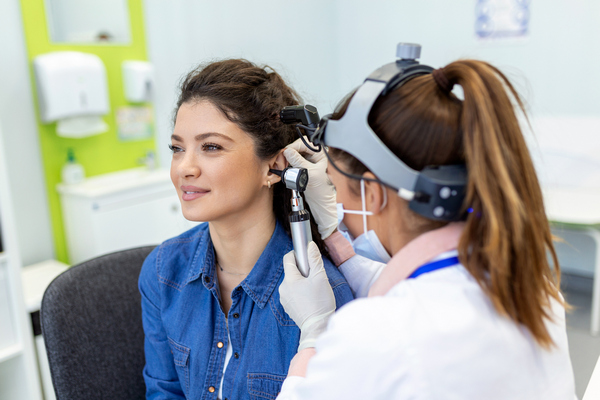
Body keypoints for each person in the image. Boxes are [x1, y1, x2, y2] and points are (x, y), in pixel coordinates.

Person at [276, 45, 577, 399]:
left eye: (336, 187)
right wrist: (337, 243)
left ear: (374, 194)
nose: (336, 203)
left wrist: (314, 332)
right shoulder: (531, 285)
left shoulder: (379, 335)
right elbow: (421, 283)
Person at [138, 59, 354, 400]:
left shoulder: (320, 297)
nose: (184, 168)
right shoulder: (164, 271)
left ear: (274, 166)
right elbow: (164, 392)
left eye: (211, 147)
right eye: (177, 148)